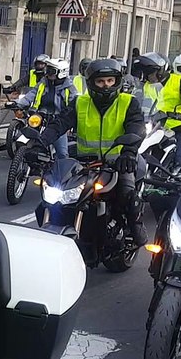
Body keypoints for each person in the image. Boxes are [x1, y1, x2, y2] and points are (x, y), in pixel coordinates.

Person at [40, 58, 148, 246]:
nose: (106, 85)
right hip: (84, 165)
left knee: (127, 196)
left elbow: (136, 127)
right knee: (54, 195)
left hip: (118, 163)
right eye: (100, 81)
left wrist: (129, 152)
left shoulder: (128, 102)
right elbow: (60, 124)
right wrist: (39, 142)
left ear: (117, 81)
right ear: (91, 83)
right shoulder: (79, 102)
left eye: (110, 81)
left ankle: (136, 232)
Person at [14, 56, 78, 158]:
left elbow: (73, 105)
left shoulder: (69, 88)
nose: (47, 73)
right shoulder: (43, 83)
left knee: (62, 153)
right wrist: (18, 104)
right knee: (23, 138)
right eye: (47, 70)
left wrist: (70, 121)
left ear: (61, 73)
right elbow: (31, 94)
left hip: (59, 121)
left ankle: (60, 167)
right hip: (40, 116)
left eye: (51, 71)